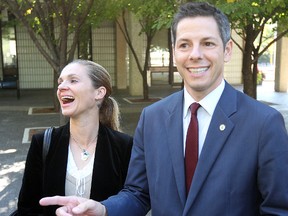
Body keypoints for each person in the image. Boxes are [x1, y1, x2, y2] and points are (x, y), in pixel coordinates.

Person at [40, 2, 288, 216]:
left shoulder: (263, 124)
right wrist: (103, 209)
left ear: (227, 50)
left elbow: (279, 208)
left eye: (208, 43)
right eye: (184, 45)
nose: (195, 54)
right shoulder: (153, 118)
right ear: (174, 52)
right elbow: (138, 193)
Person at [17, 59, 133, 215]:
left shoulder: (124, 145)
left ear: (99, 93)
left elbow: (132, 203)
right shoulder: (43, 143)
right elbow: (26, 209)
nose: (61, 87)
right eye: (60, 82)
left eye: (73, 80)